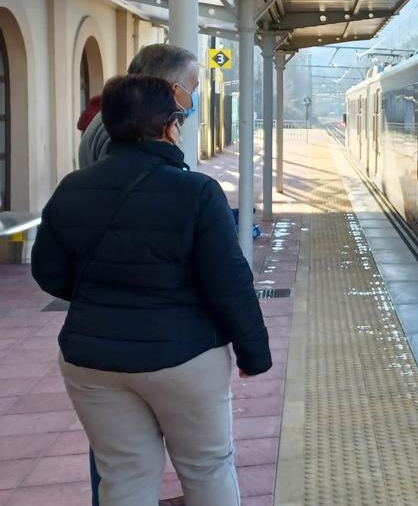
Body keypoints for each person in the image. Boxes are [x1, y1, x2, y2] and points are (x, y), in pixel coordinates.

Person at [34, 74, 271, 506]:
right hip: (184, 359)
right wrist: (254, 354)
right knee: (207, 469)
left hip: (92, 361)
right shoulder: (197, 191)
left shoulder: (72, 187)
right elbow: (230, 283)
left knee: (123, 475)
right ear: (169, 127)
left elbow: (48, 274)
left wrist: (103, 294)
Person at [79, 43, 200, 169]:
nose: (194, 96)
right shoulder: (129, 127)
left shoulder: (116, 116)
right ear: (174, 90)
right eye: (193, 89)